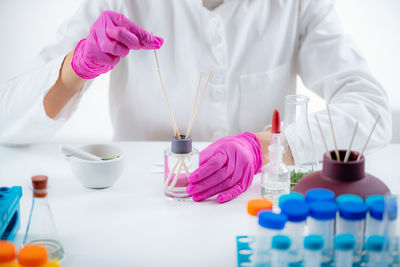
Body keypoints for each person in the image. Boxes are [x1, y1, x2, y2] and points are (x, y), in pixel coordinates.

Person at [0, 0, 391, 203]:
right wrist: (75, 68)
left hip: (252, 208)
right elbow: (7, 118)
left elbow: (370, 107)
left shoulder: (299, 5)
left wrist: (268, 147)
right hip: (139, 209)